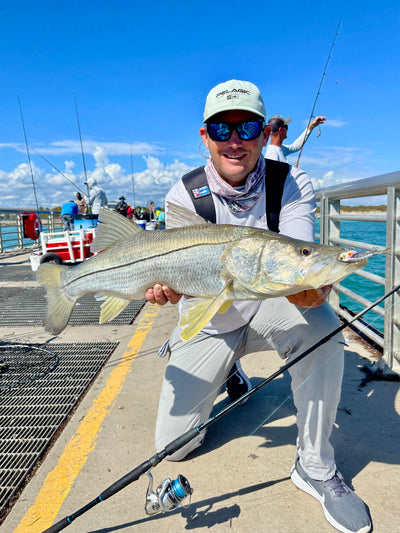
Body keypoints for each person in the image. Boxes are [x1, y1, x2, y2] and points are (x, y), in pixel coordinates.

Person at [145, 80, 371, 533]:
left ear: (265, 135)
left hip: (265, 305)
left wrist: (316, 281)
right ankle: (228, 370)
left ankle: (316, 465)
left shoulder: (290, 183)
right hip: (211, 321)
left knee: (323, 325)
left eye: (247, 128)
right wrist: (163, 289)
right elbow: (176, 279)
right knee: (175, 448)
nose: (235, 140)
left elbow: (300, 253)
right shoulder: (182, 195)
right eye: (221, 129)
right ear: (205, 136)